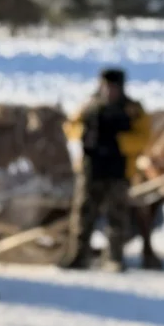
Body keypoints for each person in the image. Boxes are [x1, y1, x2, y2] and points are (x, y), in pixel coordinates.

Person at [61, 68, 151, 271]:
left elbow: (144, 137)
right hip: (91, 169)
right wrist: (83, 133)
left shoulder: (132, 109)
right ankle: (78, 256)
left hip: (118, 171)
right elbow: (70, 126)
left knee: (116, 217)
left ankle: (114, 258)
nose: (108, 91)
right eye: (105, 87)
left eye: (112, 88)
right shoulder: (89, 106)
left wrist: (118, 143)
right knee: (83, 215)